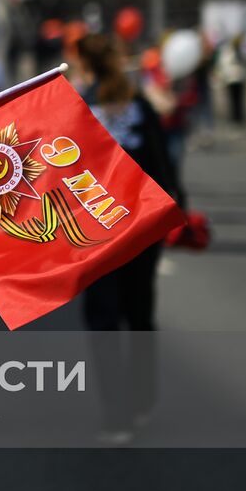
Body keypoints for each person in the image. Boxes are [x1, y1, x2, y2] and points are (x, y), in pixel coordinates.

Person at [76, 33, 182, 445]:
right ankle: (142, 400)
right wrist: (176, 214)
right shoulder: (138, 106)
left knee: (103, 321)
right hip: (141, 226)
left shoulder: (78, 107)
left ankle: (115, 417)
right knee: (139, 315)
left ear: (85, 64)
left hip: (95, 233)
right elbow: (162, 163)